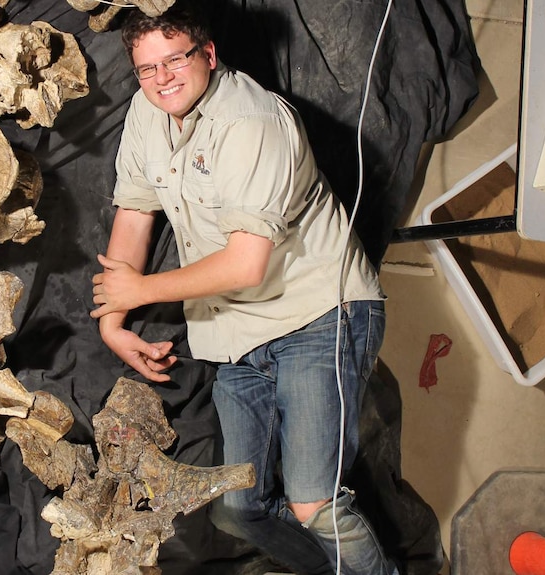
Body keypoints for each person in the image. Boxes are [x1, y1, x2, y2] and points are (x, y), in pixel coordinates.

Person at [90, 4, 397, 575]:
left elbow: (245, 264)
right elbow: (134, 212)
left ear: (207, 55)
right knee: (239, 511)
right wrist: (113, 321)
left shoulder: (250, 120)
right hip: (234, 335)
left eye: (175, 60)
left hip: (316, 313)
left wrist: (138, 291)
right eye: (146, 68)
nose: (162, 79)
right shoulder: (144, 112)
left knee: (314, 505)